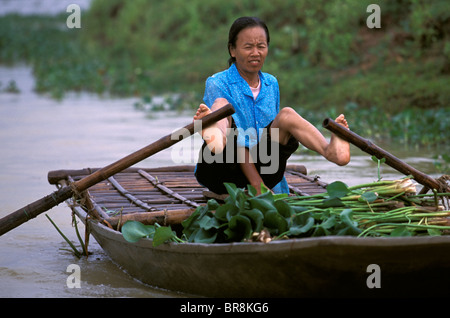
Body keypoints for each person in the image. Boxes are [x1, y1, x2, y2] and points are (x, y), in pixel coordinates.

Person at [194, 16, 350, 195]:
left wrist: (275, 186)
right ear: (232, 50)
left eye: (261, 46)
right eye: (248, 47)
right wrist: (257, 185)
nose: (256, 52)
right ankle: (216, 137)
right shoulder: (218, 82)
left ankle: (331, 151)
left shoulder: (271, 83)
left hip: (264, 167)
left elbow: (273, 141)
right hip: (222, 168)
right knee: (221, 106)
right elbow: (239, 144)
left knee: (286, 115)